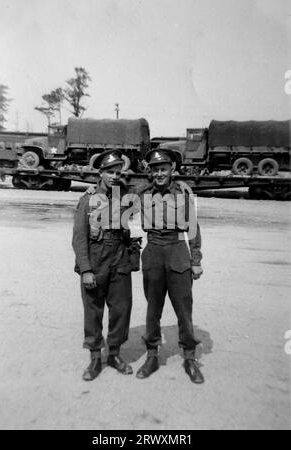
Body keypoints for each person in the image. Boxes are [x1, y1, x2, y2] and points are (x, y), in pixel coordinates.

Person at [135, 148, 205, 384]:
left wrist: (196, 261)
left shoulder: (183, 193)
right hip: (153, 251)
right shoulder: (142, 193)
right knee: (153, 309)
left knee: (184, 310)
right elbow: (118, 212)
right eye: (155, 170)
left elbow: (193, 229)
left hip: (177, 251)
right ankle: (152, 355)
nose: (159, 174)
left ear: (172, 169)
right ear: (150, 172)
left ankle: (190, 357)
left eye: (163, 169)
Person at [72, 150, 134, 381]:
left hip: (119, 258)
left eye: (118, 172)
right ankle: (95, 358)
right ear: (100, 173)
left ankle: (115, 354)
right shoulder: (87, 199)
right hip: (96, 260)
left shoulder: (124, 196)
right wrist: (86, 270)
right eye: (109, 172)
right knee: (93, 311)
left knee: (121, 309)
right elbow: (79, 238)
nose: (114, 176)